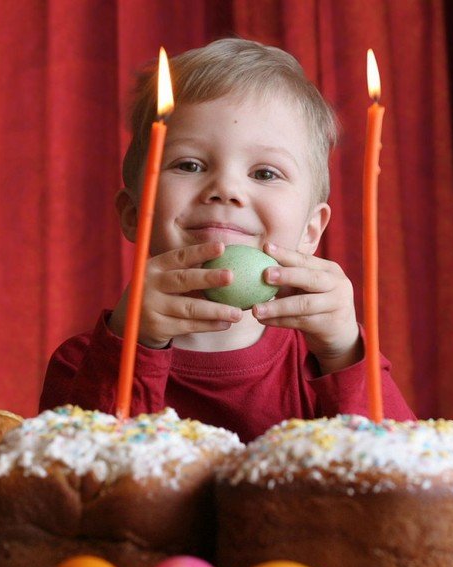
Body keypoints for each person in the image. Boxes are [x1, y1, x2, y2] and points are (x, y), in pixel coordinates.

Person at [40, 38, 414, 441]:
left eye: (265, 173)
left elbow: (409, 479)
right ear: (133, 215)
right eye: (189, 164)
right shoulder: (82, 365)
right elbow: (79, 481)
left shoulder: (324, 361)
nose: (226, 188)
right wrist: (132, 347)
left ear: (310, 231)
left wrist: (344, 356)